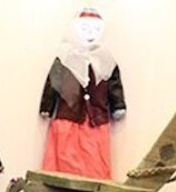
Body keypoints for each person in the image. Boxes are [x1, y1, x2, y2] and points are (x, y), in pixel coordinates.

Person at [40, 8, 126, 179]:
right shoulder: (65, 57)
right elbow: (53, 82)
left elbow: (114, 83)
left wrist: (118, 105)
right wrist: (47, 106)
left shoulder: (106, 59)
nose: (90, 34)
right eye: (85, 28)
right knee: (65, 158)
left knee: (95, 162)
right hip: (68, 116)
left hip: (96, 119)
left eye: (95, 29)